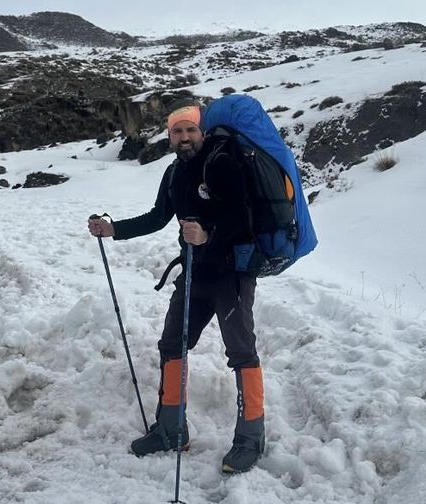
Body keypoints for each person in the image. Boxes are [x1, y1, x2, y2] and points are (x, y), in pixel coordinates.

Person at [87, 100, 265, 474]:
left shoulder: (222, 163)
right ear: (169, 136)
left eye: (190, 130)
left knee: (241, 351)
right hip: (195, 272)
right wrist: (113, 229)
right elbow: (157, 217)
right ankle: (171, 429)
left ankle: (251, 439)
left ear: (202, 132)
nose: (184, 137)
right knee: (172, 344)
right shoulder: (174, 173)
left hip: (232, 273)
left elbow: (245, 217)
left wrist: (208, 233)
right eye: (177, 131)